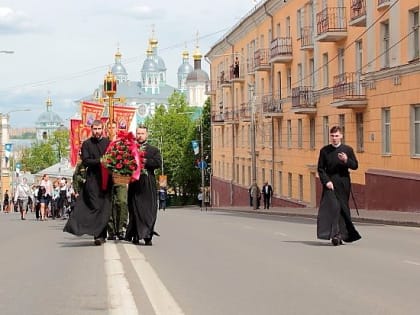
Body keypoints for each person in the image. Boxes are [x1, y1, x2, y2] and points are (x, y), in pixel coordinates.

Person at [63, 119, 113, 245]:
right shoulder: (86, 144)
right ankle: (97, 235)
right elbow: (86, 161)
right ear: (92, 130)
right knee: (95, 206)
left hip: (107, 180)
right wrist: (100, 161)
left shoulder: (108, 143)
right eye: (94, 129)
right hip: (93, 180)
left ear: (103, 129)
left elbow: (113, 159)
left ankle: (102, 233)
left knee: (105, 207)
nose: (97, 132)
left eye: (99, 129)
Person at [317, 126, 362, 246]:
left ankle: (343, 234)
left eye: (336, 136)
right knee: (334, 208)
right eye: (332, 136)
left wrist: (346, 160)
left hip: (343, 183)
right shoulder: (324, 151)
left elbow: (355, 166)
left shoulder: (347, 150)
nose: (334, 138)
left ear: (341, 136)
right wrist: (326, 181)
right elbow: (321, 169)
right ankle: (335, 235)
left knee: (343, 209)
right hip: (330, 183)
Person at [125, 125, 162, 246]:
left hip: (148, 182)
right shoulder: (131, 148)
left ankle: (147, 235)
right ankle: (135, 234)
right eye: (138, 133)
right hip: (135, 183)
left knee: (149, 210)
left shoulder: (153, 150)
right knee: (134, 209)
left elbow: (157, 163)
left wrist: (144, 161)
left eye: (142, 133)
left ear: (147, 135)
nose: (140, 135)